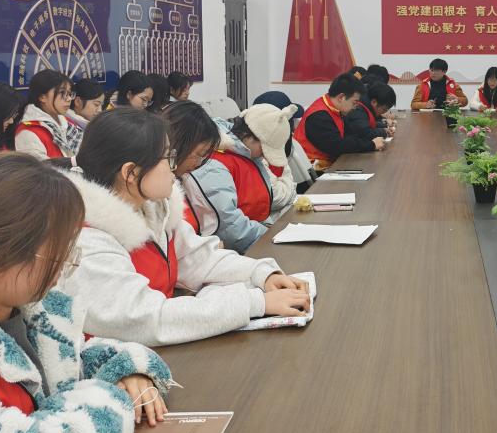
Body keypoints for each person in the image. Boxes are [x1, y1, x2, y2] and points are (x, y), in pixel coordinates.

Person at [0, 153, 175, 433]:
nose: (66, 264)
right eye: (54, 251)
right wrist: (112, 399)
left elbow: (77, 358)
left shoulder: (26, 312)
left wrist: (129, 371)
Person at [59, 108, 311, 346]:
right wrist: (255, 302)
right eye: (167, 158)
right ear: (131, 173)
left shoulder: (153, 208)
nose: (174, 169)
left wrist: (262, 275)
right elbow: (146, 318)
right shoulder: (86, 239)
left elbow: (197, 258)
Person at [183, 103, 298, 253]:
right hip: (236, 248)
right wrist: (270, 235)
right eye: (265, 149)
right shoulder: (215, 163)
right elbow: (229, 226)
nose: (265, 156)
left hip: (252, 239)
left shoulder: (246, 155)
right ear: (250, 138)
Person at [297, 73, 384, 170]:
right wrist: (371, 145)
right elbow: (337, 146)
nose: (355, 107)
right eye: (354, 102)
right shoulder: (319, 116)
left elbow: (350, 136)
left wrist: (370, 142)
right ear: (341, 97)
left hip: (329, 162)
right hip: (314, 169)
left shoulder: (335, 109)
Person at [162, 100, 223, 233]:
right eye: (199, 154)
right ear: (178, 143)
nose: (199, 163)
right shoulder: (156, 190)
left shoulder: (183, 179)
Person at [14, 70, 81, 159]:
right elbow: (37, 167)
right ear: (42, 97)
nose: (69, 99)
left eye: (69, 93)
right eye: (62, 93)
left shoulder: (68, 122)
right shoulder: (28, 132)